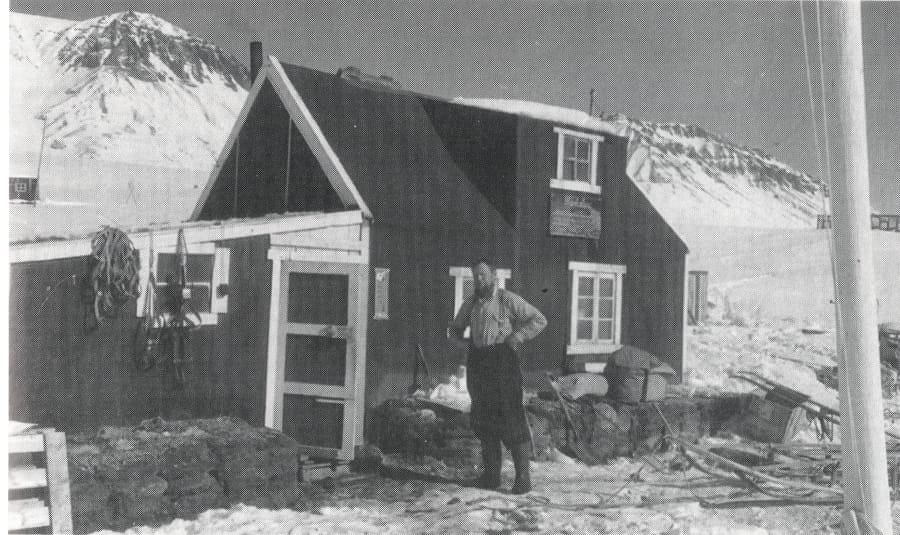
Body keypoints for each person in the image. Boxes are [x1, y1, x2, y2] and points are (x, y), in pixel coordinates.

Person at [449, 259, 547, 494]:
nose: (479, 280)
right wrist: (463, 342)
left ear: (493, 275)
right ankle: (491, 476)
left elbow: (539, 319)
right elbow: (455, 328)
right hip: (479, 363)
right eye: (475, 276)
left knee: (511, 417)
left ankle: (522, 478)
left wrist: (518, 336)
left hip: (503, 362)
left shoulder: (506, 299)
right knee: (483, 418)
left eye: (483, 275)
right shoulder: (471, 302)